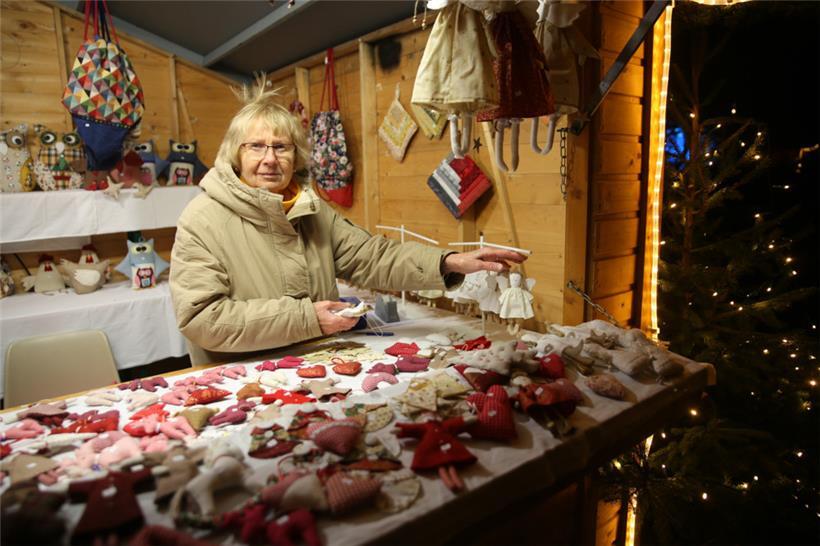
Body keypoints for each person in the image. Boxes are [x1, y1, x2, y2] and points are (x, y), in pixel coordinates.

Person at [169, 78, 527, 365]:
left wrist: (447, 262)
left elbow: (373, 257)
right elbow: (203, 319)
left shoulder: (311, 209)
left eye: (281, 147)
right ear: (235, 153)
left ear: (296, 156)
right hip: (235, 378)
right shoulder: (202, 220)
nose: (270, 159)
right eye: (256, 146)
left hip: (318, 365)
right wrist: (308, 319)